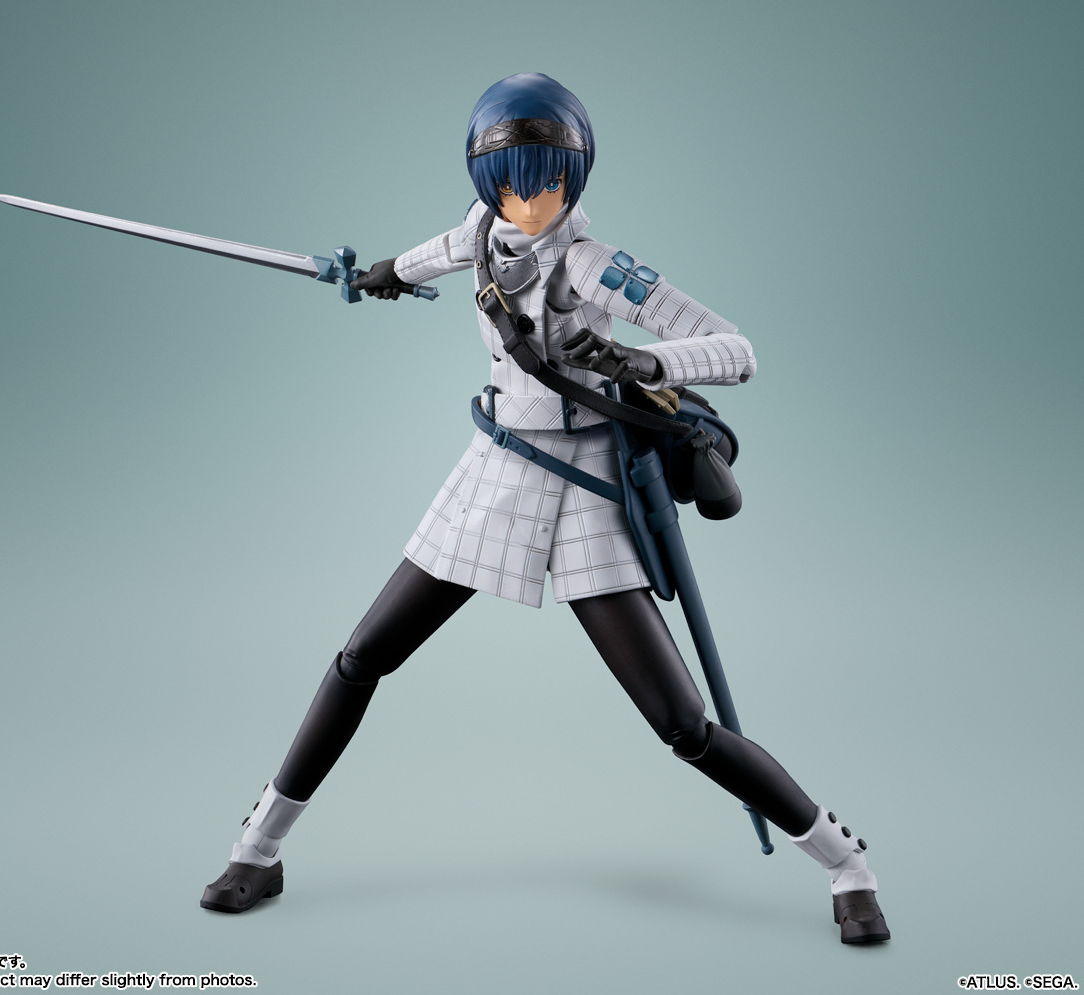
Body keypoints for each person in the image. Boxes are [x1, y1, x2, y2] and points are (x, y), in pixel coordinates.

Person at [200, 73, 889, 944]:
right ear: (486, 182)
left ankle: (845, 861)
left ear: (576, 174)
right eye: (512, 185)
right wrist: (380, 275)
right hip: (495, 473)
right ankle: (259, 846)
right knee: (361, 655)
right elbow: (432, 254)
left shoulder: (596, 265)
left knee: (683, 724)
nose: (530, 204)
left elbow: (737, 349)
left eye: (549, 183)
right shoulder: (480, 233)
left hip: (585, 483)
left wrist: (647, 364)